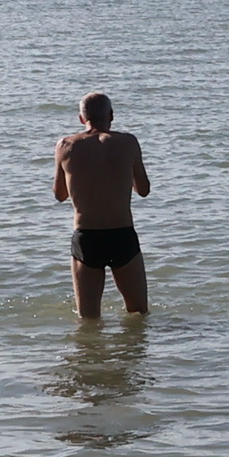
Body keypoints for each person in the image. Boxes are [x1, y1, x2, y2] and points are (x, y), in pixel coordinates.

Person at [54, 93, 152, 317]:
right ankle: (133, 352)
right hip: (122, 235)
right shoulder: (128, 142)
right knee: (138, 313)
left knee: (88, 319)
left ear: (81, 118)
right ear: (111, 115)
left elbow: (60, 195)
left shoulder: (65, 145)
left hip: (87, 237)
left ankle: (92, 353)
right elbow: (144, 190)